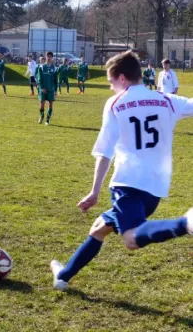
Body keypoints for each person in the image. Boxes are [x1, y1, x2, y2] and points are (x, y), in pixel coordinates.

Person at [50, 50, 193, 291]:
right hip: (155, 188)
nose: (110, 88)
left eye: (111, 82)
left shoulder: (116, 104)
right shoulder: (167, 100)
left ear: (123, 79)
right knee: (99, 228)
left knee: (131, 238)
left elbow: (105, 151)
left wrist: (94, 191)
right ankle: (63, 276)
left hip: (128, 183)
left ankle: (186, 223)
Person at [35, 51, 57, 125]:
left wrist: (55, 90)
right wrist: (42, 87)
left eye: (51, 57)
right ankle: (41, 116)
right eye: (48, 56)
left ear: (52, 58)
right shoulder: (41, 67)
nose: (49, 58)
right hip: (43, 89)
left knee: (50, 104)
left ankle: (47, 120)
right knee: (42, 104)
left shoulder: (54, 68)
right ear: (46, 57)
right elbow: (39, 79)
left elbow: (56, 80)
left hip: (51, 89)